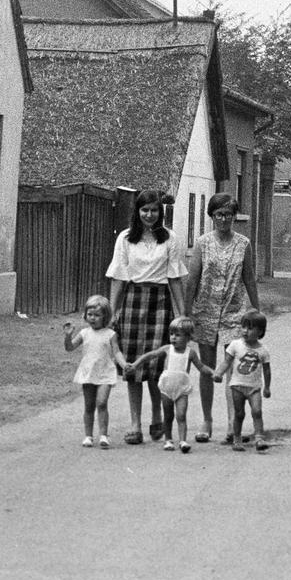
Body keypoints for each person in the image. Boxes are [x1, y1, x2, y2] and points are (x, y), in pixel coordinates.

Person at [107, 190, 187, 445]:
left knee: (156, 366)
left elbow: (174, 277)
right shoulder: (126, 238)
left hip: (160, 303)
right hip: (133, 302)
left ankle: (157, 417)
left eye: (154, 210)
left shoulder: (170, 238)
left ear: (160, 212)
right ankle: (134, 424)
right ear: (137, 212)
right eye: (145, 210)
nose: (149, 215)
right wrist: (112, 310)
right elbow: (119, 276)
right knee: (133, 367)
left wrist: (182, 314)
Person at [183, 192, 261, 443]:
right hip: (205, 312)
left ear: (234, 216)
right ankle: (206, 420)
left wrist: (256, 311)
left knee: (234, 370)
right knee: (207, 369)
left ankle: (232, 422)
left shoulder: (243, 244)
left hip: (234, 312)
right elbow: (192, 280)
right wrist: (187, 314)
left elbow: (249, 278)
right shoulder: (203, 243)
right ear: (212, 217)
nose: (224, 219)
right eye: (219, 214)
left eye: (228, 214)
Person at [127, 317, 214, 452]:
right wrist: (135, 364)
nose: (173, 338)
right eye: (172, 334)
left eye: (178, 335)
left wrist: (214, 373)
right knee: (168, 415)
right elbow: (150, 355)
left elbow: (202, 367)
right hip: (167, 387)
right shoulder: (167, 349)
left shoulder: (190, 353)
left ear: (188, 337)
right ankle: (168, 440)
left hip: (182, 388)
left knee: (181, 414)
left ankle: (183, 441)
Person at [63, 295, 126, 448]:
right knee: (89, 405)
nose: (92, 318)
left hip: (105, 372)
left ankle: (103, 435)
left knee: (102, 402)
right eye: (90, 314)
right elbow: (70, 348)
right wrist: (68, 336)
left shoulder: (110, 334)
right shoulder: (84, 333)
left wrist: (124, 365)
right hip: (88, 373)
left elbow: (117, 352)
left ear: (105, 316)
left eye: (97, 315)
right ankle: (88, 436)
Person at [214, 309, 271, 451]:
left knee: (257, 411)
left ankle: (259, 438)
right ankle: (237, 439)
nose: (245, 331)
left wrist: (267, 387)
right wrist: (219, 373)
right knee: (239, 414)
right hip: (237, 386)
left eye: (250, 328)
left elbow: (267, 370)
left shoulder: (263, 350)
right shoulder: (235, 345)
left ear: (260, 331)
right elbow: (226, 362)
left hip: (254, 387)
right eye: (243, 327)